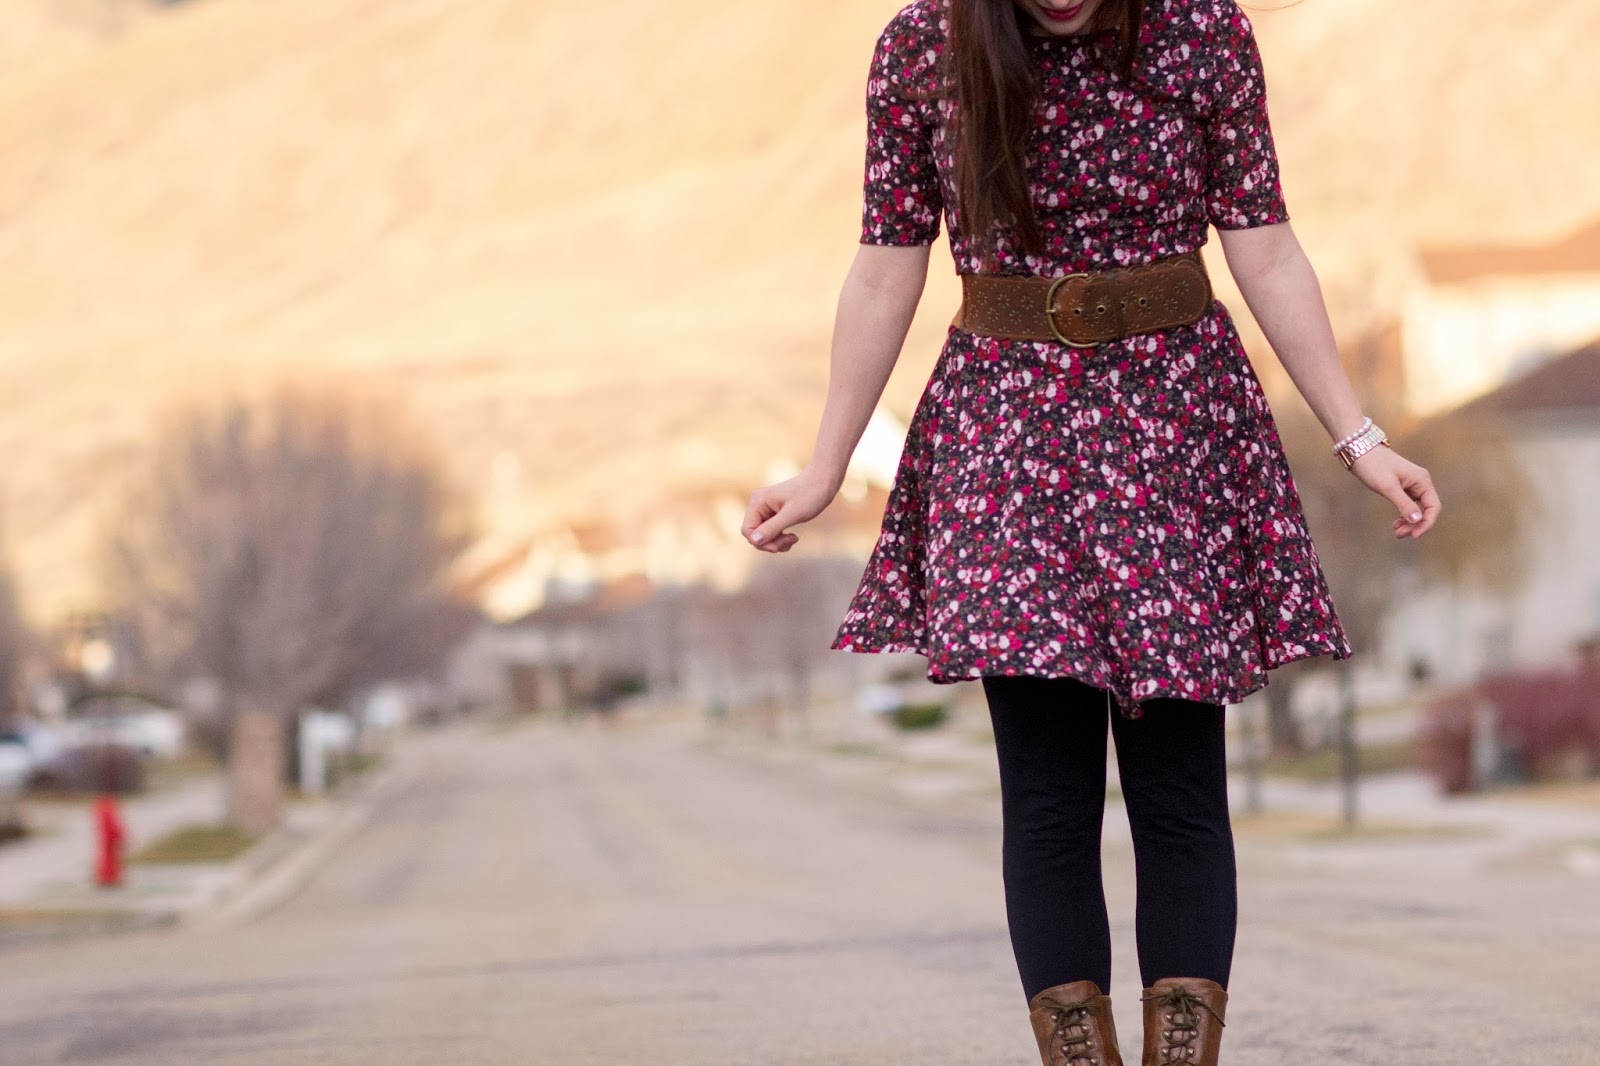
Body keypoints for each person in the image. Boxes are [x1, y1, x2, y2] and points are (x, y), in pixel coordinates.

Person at [741, 0, 1441, 1063]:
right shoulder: (923, 47)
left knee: (1177, 791)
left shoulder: (1201, 31)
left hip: (1173, 425)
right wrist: (826, 465)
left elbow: (1266, 247)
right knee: (1048, 799)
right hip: (1005, 440)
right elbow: (888, 263)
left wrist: (1360, 438)